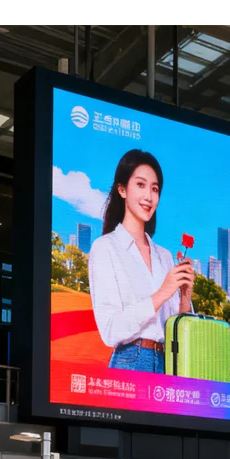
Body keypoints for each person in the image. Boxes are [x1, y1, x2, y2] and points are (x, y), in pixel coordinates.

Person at [88, 149, 195, 373]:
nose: (149, 196)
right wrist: (162, 293)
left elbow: (180, 333)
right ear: (122, 189)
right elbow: (110, 330)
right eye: (140, 185)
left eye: (155, 189)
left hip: (169, 363)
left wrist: (185, 297)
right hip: (131, 360)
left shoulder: (165, 257)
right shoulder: (105, 248)